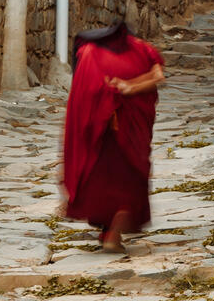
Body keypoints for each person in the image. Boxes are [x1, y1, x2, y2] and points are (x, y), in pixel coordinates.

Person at [60, 22, 165, 253]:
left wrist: (125, 88)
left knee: (102, 178)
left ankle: (109, 231)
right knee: (128, 179)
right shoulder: (143, 49)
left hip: (102, 129)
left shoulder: (90, 54)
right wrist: (131, 87)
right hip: (130, 131)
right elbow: (158, 76)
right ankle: (112, 233)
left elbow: (86, 96)